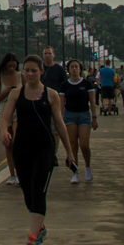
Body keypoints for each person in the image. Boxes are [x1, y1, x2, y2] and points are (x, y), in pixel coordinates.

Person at [0, 54, 75, 245]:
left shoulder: (51, 95)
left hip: (44, 148)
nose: (30, 74)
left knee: (38, 189)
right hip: (22, 148)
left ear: (41, 72)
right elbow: (5, 118)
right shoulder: (16, 94)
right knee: (28, 193)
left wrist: (69, 151)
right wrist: (4, 132)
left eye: (34, 71)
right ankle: (40, 228)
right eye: (27, 71)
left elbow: (59, 124)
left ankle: (32, 238)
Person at [37, 46, 78, 176]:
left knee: (55, 130)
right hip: (40, 101)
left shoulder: (59, 70)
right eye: (45, 53)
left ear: (53, 55)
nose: (47, 56)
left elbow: (64, 86)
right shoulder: (41, 69)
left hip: (55, 102)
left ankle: (53, 154)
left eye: (49, 53)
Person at [56, 58, 98, 183]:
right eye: (72, 67)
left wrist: (94, 117)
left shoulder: (87, 84)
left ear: (80, 69)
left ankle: (88, 167)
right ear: (68, 70)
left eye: (76, 67)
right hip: (70, 116)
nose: (74, 69)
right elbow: (61, 104)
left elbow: (92, 101)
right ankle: (75, 172)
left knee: (84, 145)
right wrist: (59, 119)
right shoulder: (64, 85)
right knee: (72, 145)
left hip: (84, 115)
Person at [0, 53, 21, 184]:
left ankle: (20, 173)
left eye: (14, 66)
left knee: (17, 142)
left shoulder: (21, 77)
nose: (11, 69)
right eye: (9, 66)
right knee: (8, 144)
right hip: (5, 109)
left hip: (19, 109)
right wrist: (8, 91)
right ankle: (12, 175)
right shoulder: (0, 77)